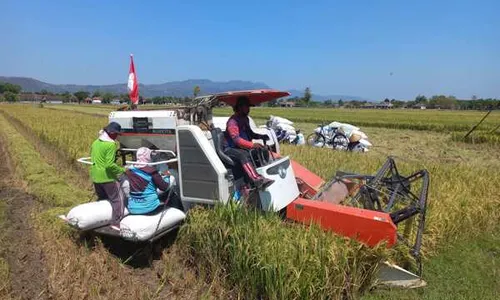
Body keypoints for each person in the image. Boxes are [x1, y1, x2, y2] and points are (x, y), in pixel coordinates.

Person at [223, 96, 274, 190]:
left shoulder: (245, 119)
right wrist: (252, 145)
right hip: (230, 148)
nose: (248, 109)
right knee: (243, 155)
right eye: (246, 107)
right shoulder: (232, 122)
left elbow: (250, 133)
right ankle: (257, 180)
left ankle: (264, 173)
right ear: (240, 107)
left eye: (248, 107)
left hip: (239, 147)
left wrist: (261, 136)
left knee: (262, 150)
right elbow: (236, 140)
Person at [90, 122, 126, 231]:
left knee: (103, 199)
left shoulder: (96, 142)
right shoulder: (110, 144)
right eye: (116, 134)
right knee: (118, 200)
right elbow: (109, 165)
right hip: (107, 178)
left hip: (95, 177)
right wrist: (123, 170)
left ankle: (99, 221)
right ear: (111, 133)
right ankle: (116, 223)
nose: (117, 136)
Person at [125, 147, 171, 215]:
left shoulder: (130, 170)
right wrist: (167, 176)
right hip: (149, 207)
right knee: (171, 183)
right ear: (148, 156)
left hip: (132, 207)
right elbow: (164, 187)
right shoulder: (152, 172)